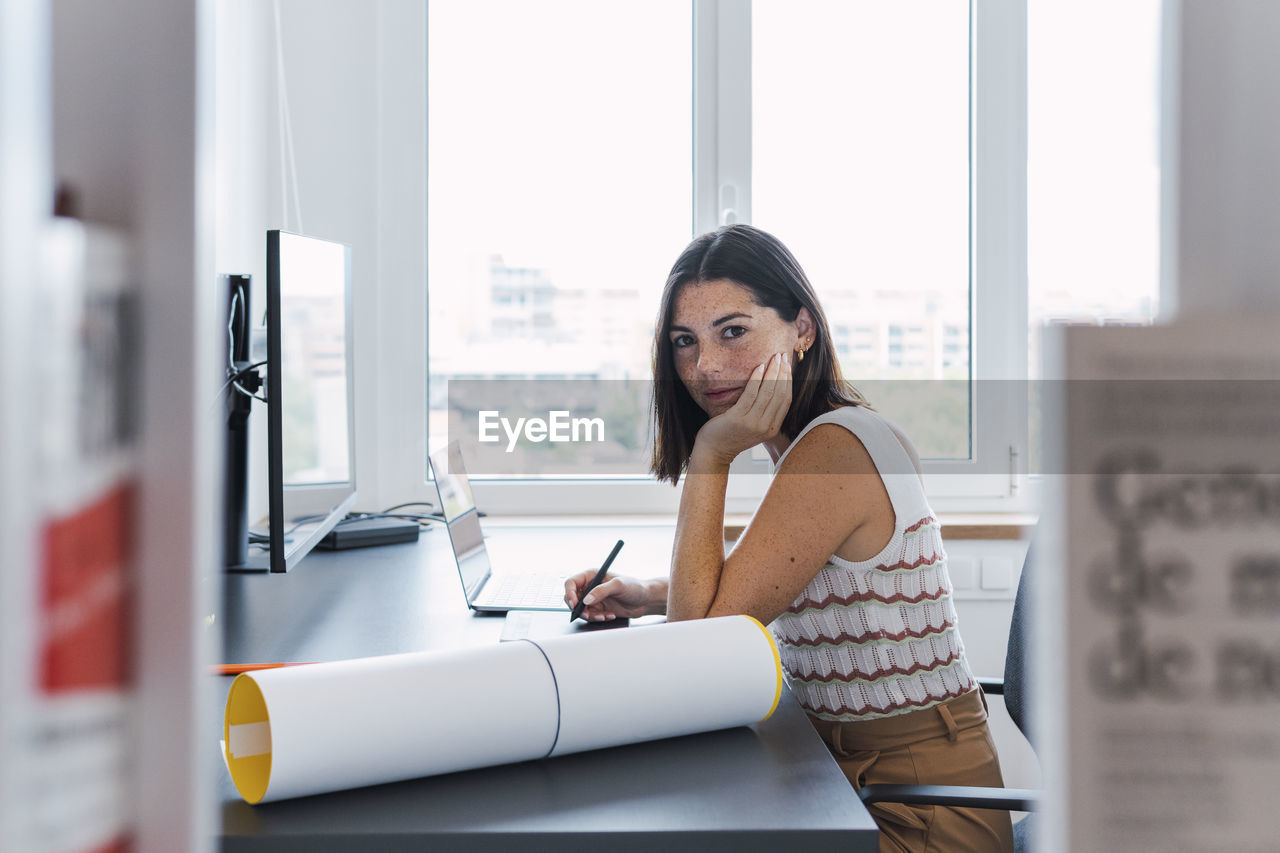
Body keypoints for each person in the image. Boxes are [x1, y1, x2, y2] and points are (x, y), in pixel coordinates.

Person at [563, 224, 1014, 853]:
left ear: (802, 328)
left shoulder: (836, 450)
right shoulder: (816, 444)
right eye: (684, 342)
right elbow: (790, 586)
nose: (706, 366)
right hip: (844, 783)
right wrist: (648, 594)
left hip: (920, 817)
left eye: (733, 331)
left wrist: (712, 455)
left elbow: (693, 652)